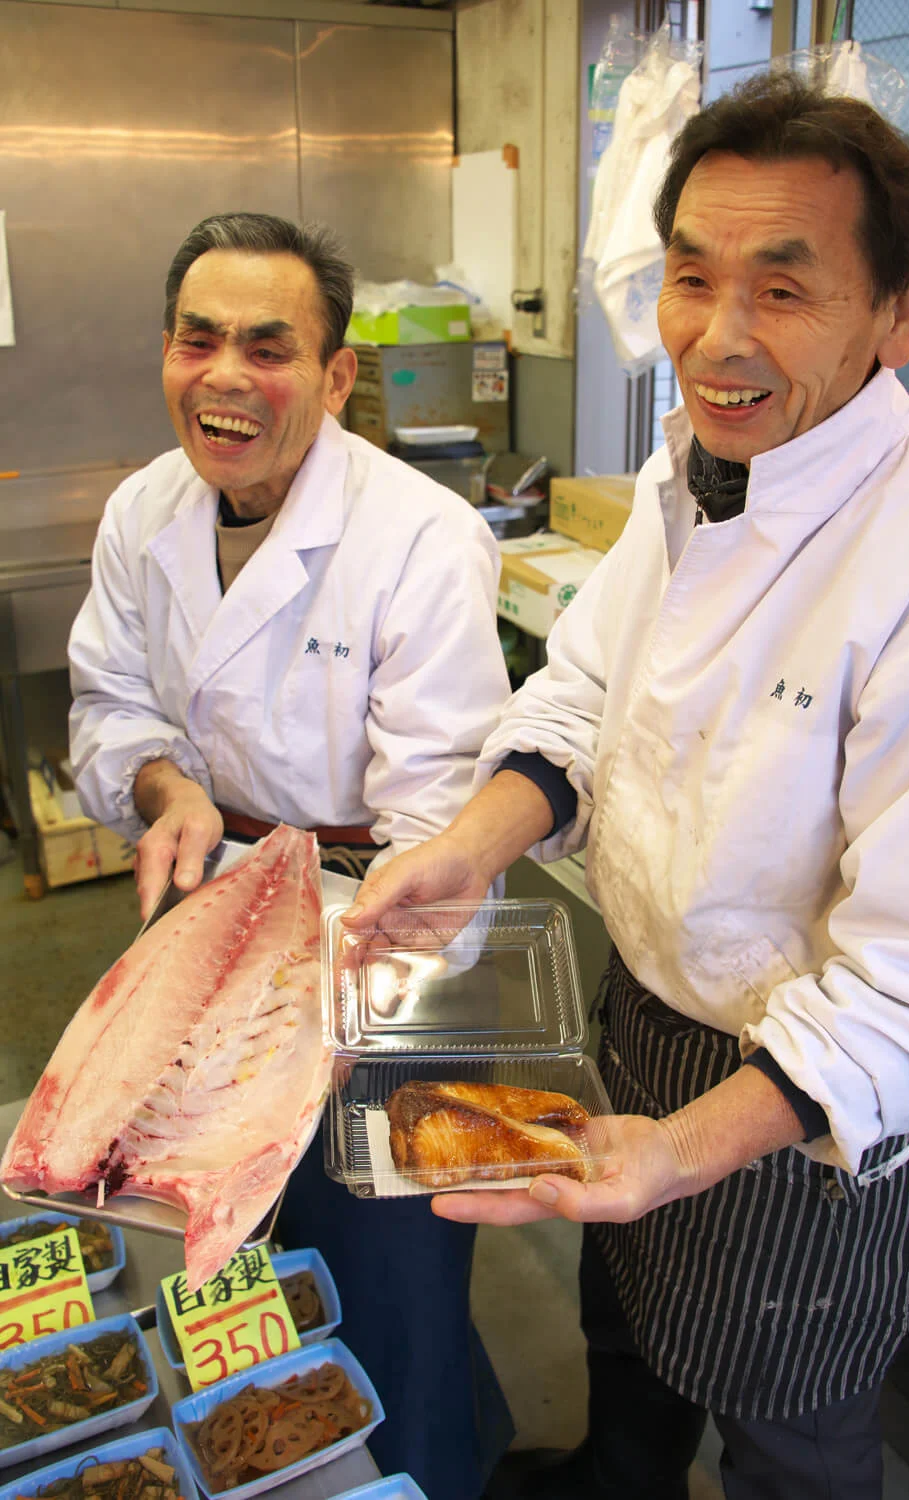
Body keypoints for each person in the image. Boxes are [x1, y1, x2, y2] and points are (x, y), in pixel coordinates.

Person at [345, 73, 909, 1500]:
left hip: (801, 1107)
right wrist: (470, 846)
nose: (718, 334)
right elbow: (583, 697)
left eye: (785, 287)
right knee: (625, 1340)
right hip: (640, 1020)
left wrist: (680, 1152)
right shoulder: (699, 466)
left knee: (793, 1433)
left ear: (900, 313)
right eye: (691, 279)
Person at [67, 211, 514, 1499]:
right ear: (165, 353)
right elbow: (109, 703)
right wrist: (166, 789)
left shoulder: (421, 537)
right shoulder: (142, 510)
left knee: (396, 1265)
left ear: (332, 377)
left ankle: (432, 1467)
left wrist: (314, 935)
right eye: (198, 338)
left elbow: (437, 819)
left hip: (389, 942)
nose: (225, 375)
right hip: (205, 920)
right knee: (241, 1241)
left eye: (269, 346)